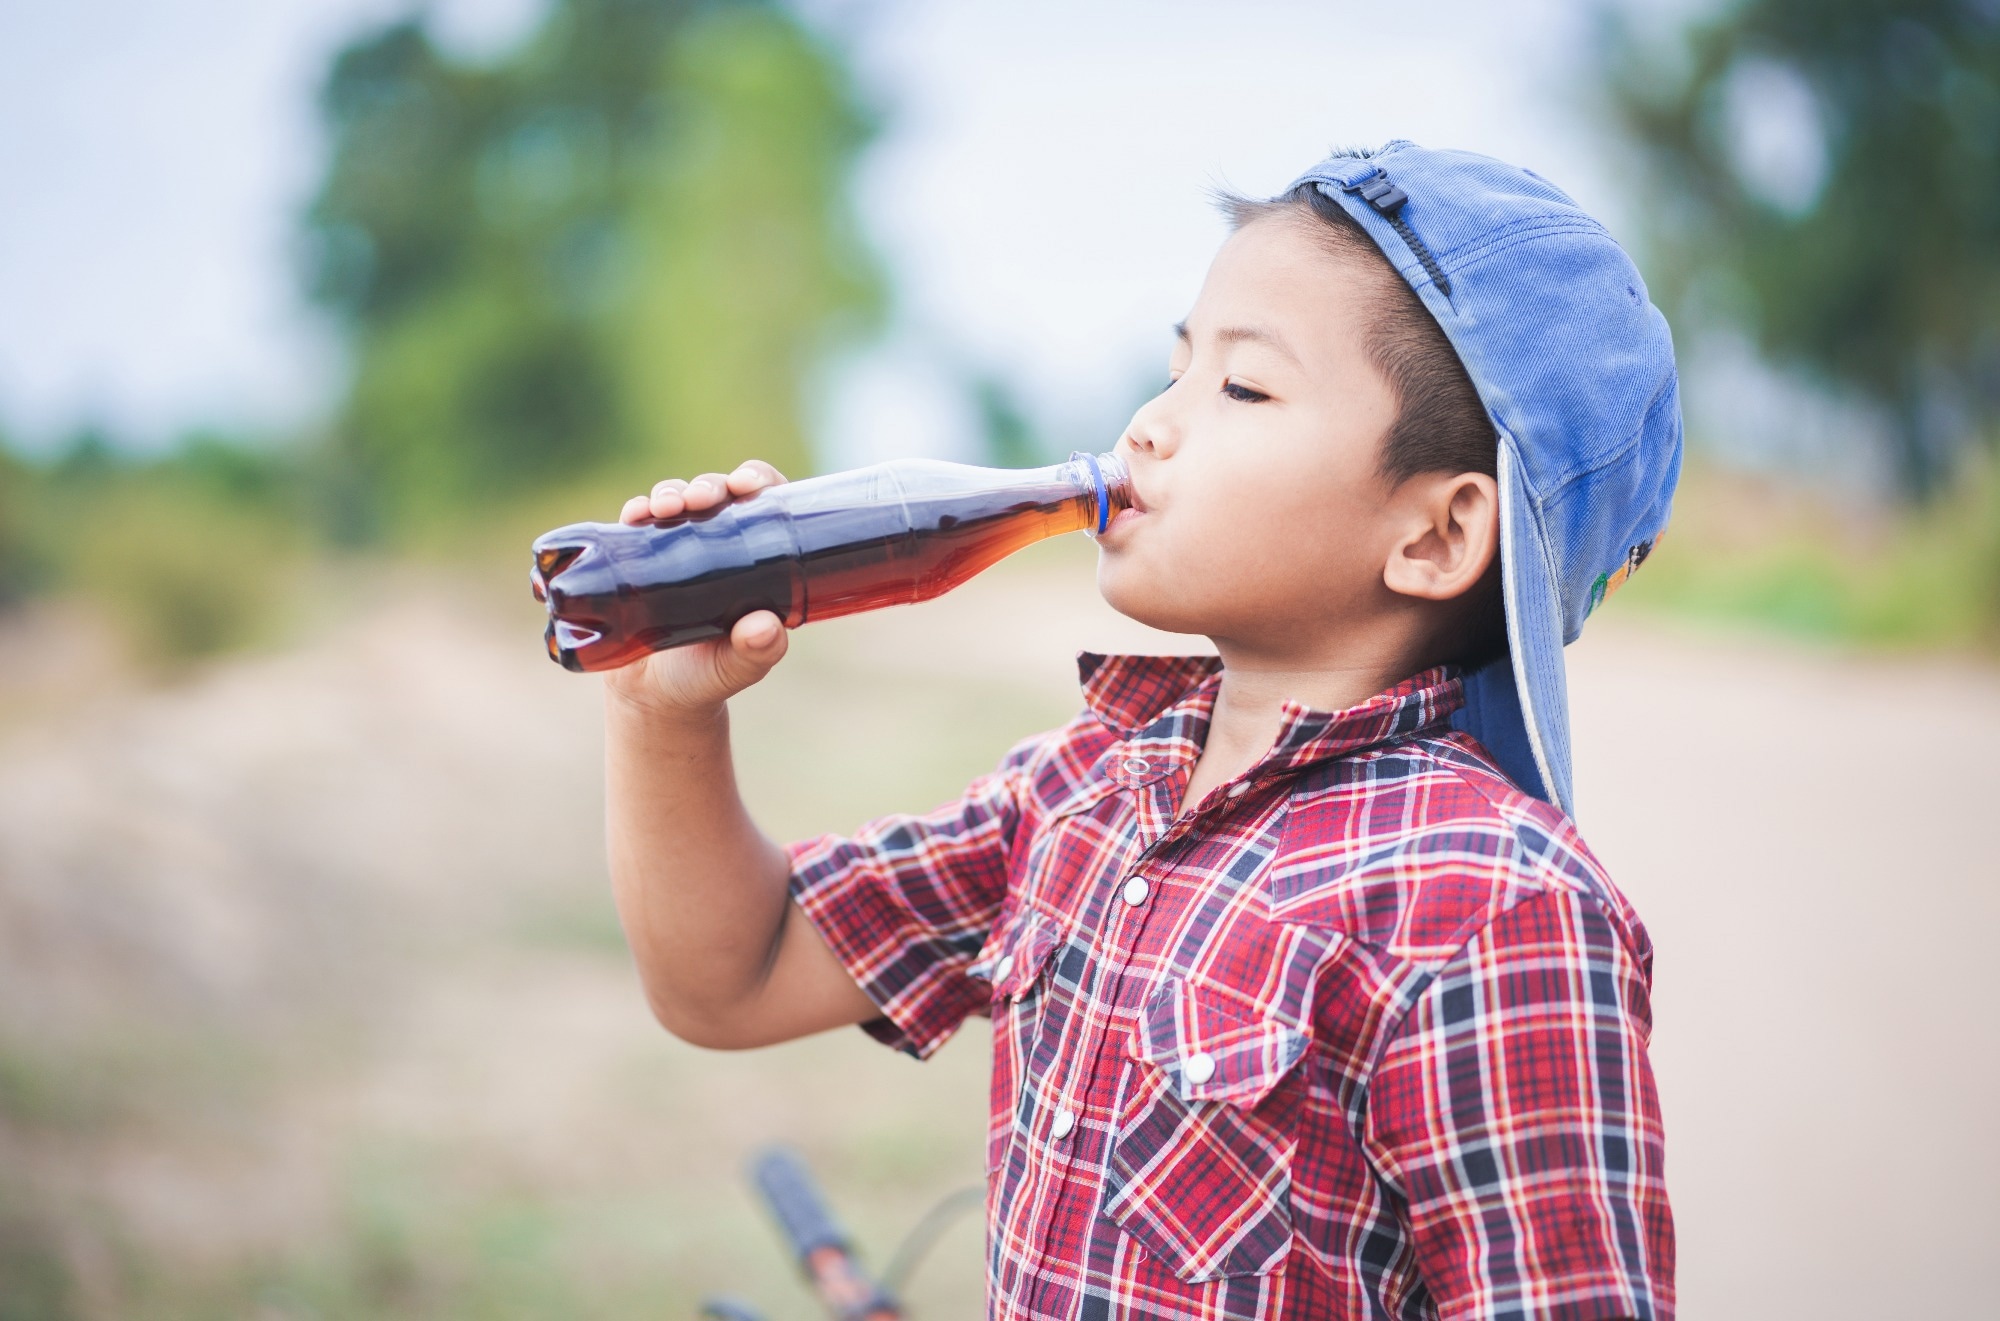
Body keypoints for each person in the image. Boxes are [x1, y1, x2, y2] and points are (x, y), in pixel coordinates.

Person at [601, 141, 1679, 1319]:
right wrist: (662, 711)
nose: (1148, 427)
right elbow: (729, 976)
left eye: (1242, 388)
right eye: (1174, 367)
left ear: (1431, 537)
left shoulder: (1491, 905)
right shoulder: (1083, 786)